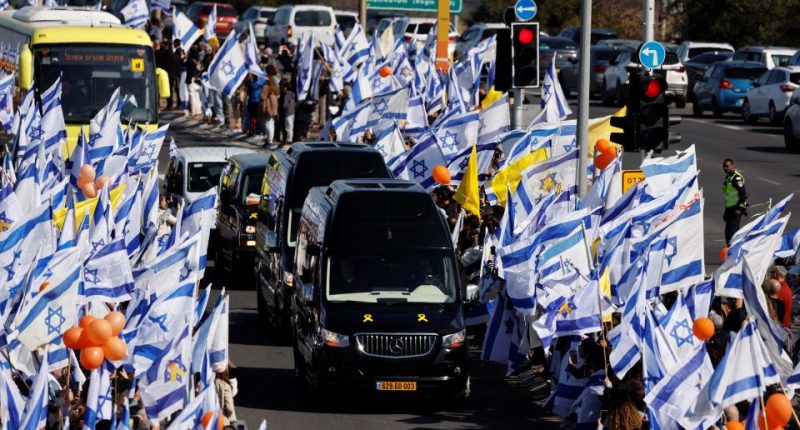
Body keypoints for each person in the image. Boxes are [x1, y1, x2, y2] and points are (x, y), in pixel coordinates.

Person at [722, 158, 748, 245]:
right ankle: (741, 244)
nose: (726, 168)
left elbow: (743, 194)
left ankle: (732, 250)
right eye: (724, 166)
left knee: (730, 232)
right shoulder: (728, 177)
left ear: (733, 166)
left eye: (727, 166)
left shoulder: (736, 178)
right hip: (730, 208)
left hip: (736, 209)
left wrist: (739, 208)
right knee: (733, 230)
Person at [214, 365, 237, 429]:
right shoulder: (225, 385)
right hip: (222, 420)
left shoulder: (208, 384)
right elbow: (229, 406)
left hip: (209, 419)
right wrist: (231, 416)